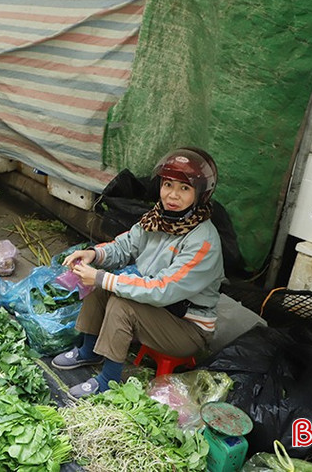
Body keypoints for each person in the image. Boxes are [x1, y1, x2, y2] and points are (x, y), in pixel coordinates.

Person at [51, 148, 225, 398]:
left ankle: (108, 380)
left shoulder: (203, 242)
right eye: (168, 185)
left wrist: (103, 278)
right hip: (160, 310)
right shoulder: (159, 219)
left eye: (184, 189)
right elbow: (126, 245)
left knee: (122, 303)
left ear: (201, 195)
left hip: (187, 329)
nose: (173, 195)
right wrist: (93, 254)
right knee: (99, 283)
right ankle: (88, 352)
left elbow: (163, 289)